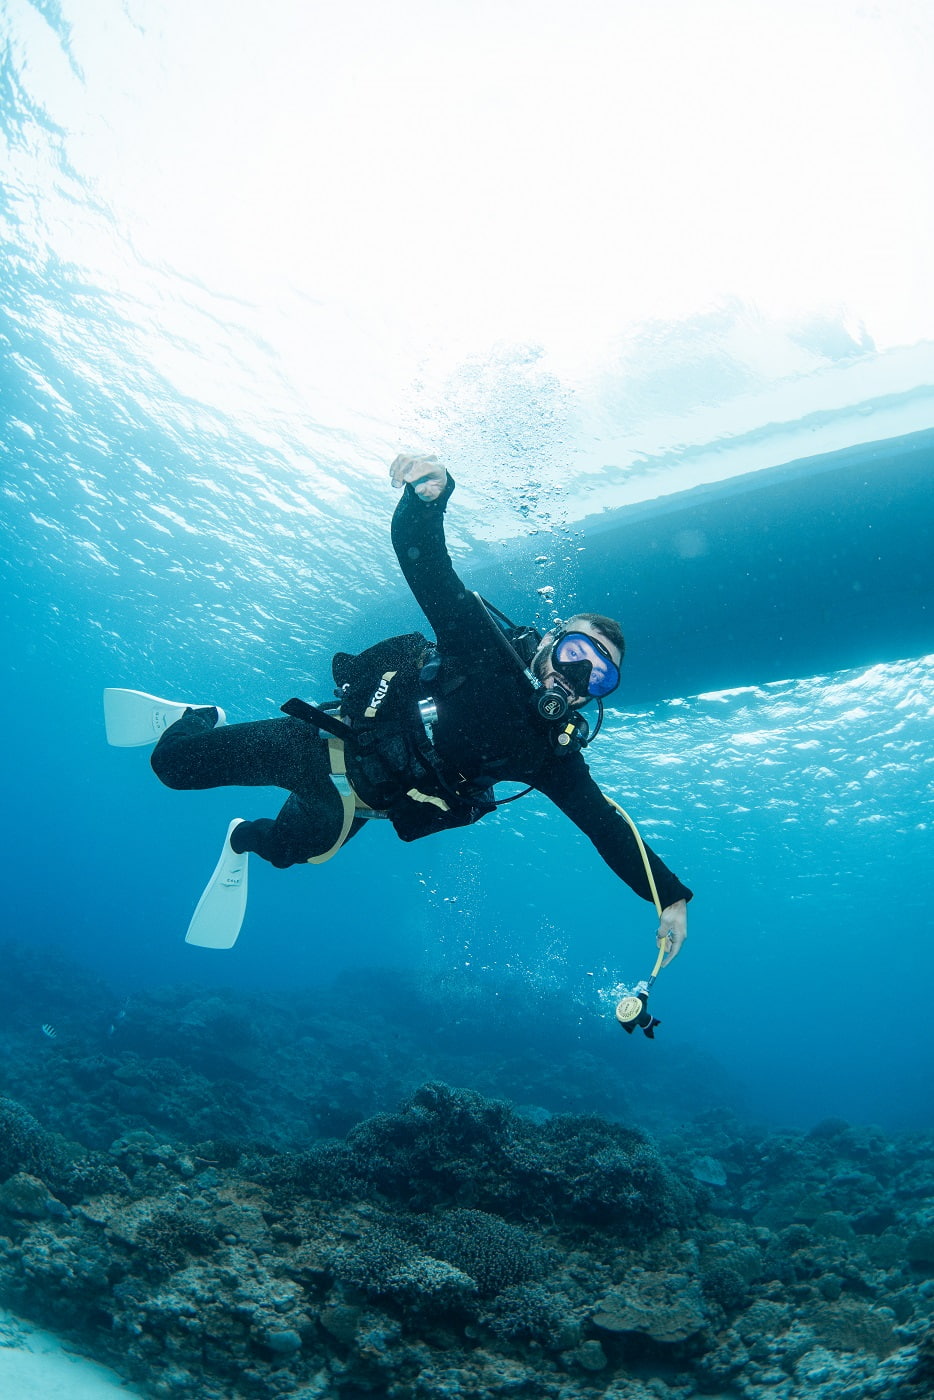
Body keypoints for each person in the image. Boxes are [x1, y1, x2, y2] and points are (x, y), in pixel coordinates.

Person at [105, 454, 691, 954]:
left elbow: (606, 827)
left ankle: (240, 838)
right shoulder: (483, 651)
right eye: (576, 653)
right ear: (547, 643)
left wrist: (669, 897)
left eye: (600, 676)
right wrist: (429, 499)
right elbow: (429, 568)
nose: (579, 676)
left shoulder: (551, 756)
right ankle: (196, 718)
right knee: (172, 770)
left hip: (362, 806)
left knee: (286, 852)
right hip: (322, 743)